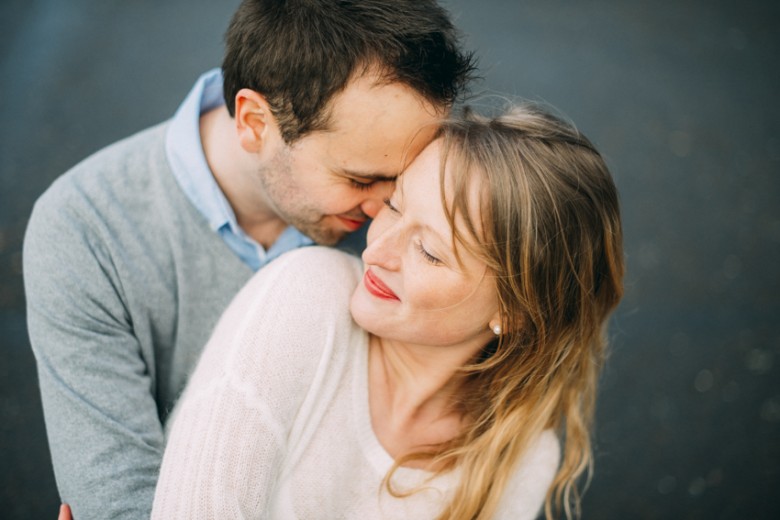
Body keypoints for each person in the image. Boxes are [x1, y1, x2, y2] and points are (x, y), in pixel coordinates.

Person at [23, 1, 475, 518]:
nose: (384, 212)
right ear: (255, 122)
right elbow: (118, 499)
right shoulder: (85, 231)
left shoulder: (405, 221)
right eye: (358, 179)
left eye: (400, 177)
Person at [150, 105, 625, 519]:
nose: (377, 250)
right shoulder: (305, 294)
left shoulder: (516, 459)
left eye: (431, 252)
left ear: (517, 311)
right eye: (395, 207)